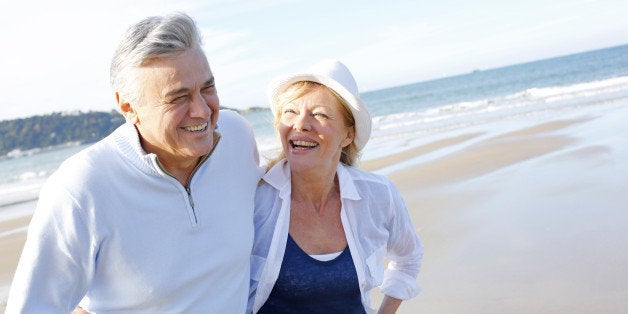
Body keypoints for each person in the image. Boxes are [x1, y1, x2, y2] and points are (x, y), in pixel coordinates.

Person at [6, 12, 262, 313]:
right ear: (129, 107)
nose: (202, 111)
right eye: (179, 97)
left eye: (207, 88)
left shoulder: (238, 135)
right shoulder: (83, 186)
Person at [249, 60, 423, 313]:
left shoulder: (378, 194)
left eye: (319, 114)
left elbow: (409, 257)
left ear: (348, 135)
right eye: (290, 112)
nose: (301, 124)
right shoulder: (254, 197)